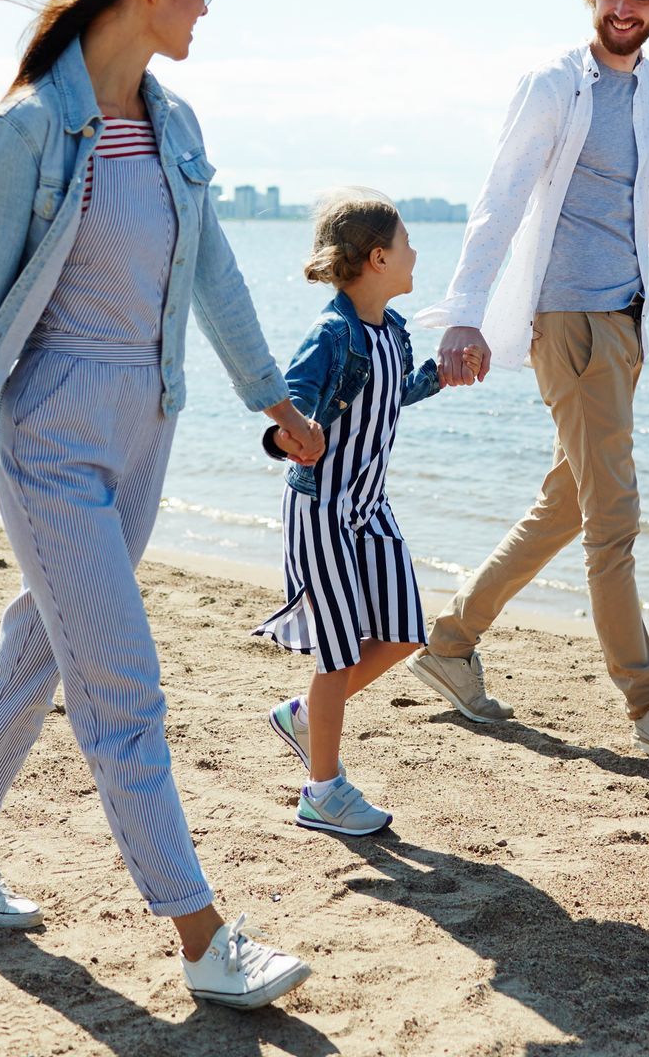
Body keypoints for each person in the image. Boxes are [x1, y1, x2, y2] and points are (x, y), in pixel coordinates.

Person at [0, 0, 322, 1010]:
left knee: (40, 647)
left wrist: (271, 398)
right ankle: (202, 934)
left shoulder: (175, 125)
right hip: (52, 439)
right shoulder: (30, 131)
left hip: (149, 429)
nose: (205, 8)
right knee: (122, 684)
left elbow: (213, 273)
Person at [409, 0, 649, 765]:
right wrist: (465, 313)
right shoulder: (554, 84)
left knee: (571, 501)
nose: (625, 6)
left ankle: (449, 643)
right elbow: (502, 197)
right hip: (565, 317)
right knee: (614, 519)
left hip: (623, 322)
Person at [252, 189, 471, 835]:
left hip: (370, 510)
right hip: (321, 512)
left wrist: (440, 377)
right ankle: (322, 790)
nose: (415, 254)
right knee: (338, 653)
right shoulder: (332, 334)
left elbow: (390, 395)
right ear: (378, 258)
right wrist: (289, 435)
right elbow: (292, 402)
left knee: (404, 632)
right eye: (406, 244)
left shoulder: (391, 333)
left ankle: (305, 717)